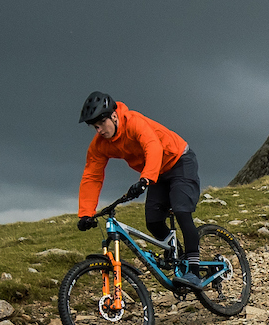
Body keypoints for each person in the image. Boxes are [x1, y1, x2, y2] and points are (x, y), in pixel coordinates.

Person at [75, 91, 200, 268]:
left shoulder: (133, 122)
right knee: (153, 222)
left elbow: (153, 146)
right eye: (95, 127)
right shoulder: (99, 145)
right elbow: (92, 176)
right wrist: (86, 213)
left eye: (102, 123)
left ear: (114, 116)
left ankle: (194, 270)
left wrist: (145, 179)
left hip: (179, 160)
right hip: (157, 173)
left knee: (181, 210)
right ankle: (178, 255)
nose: (99, 130)